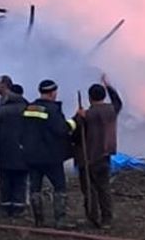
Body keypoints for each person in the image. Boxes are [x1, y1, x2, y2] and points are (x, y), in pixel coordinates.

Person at [73, 74, 124, 228]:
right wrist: (108, 85)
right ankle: (107, 219)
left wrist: (78, 117)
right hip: (105, 155)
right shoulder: (112, 110)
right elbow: (117, 101)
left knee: (89, 189)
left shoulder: (87, 114)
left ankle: (92, 217)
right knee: (104, 188)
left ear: (89, 98)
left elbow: (75, 133)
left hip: (88, 157)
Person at [22, 79, 75, 227]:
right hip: (51, 156)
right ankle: (60, 220)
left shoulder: (30, 108)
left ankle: (38, 220)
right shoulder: (52, 109)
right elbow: (61, 130)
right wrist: (75, 120)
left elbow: (24, 130)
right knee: (59, 187)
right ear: (52, 93)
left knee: (35, 188)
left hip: (32, 155)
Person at [0, 81, 30, 216]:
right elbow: (33, 131)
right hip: (23, 152)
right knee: (20, 180)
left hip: (4, 152)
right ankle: (19, 208)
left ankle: (5, 207)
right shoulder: (28, 108)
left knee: (5, 180)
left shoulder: (2, 109)